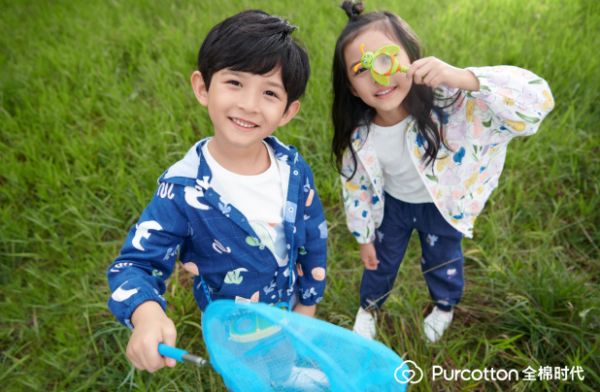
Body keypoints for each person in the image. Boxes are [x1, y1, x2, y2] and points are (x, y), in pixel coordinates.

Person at [107, 10, 328, 373]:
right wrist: (146, 315)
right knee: (251, 371)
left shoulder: (292, 169)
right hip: (231, 323)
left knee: (284, 356)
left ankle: (286, 370)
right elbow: (135, 264)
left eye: (269, 92)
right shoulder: (181, 190)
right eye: (235, 83)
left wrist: (308, 303)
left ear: (288, 112)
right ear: (202, 88)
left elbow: (313, 235)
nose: (249, 104)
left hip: (288, 305)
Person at [331, 1, 554, 342]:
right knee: (379, 263)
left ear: (413, 59)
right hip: (393, 208)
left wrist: (462, 77)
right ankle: (369, 308)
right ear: (350, 86)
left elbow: (537, 101)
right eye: (361, 70)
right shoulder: (360, 135)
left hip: (442, 208)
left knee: (443, 261)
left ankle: (444, 306)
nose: (379, 75)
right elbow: (356, 185)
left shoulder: (451, 105)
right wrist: (362, 235)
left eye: (387, 58)